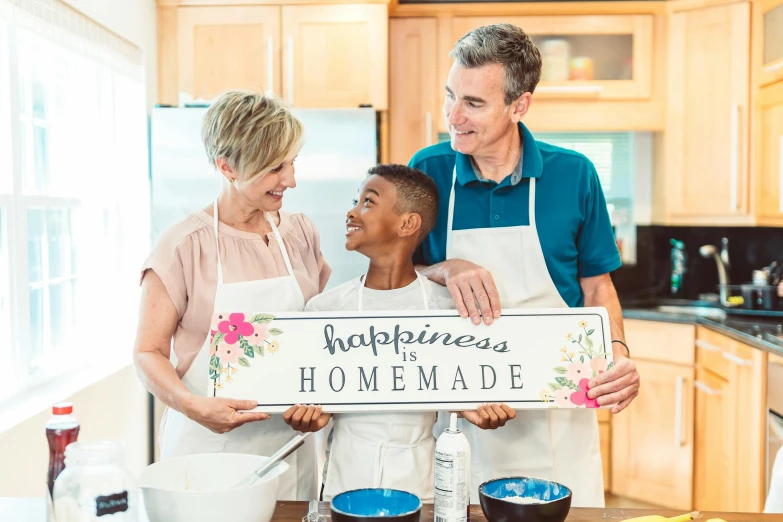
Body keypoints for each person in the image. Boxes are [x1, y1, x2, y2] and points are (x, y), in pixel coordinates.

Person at [408, 24, 641, 507]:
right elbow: (395, 282)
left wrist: (616, 351)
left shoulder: (574, 174)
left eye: (473, 103)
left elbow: (597, 284)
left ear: (520, 105)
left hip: (558, 414)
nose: (453, 116)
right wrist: (445, 268)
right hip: (461, 407)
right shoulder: (427, 172)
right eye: (451, 95)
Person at [133, 90, 331, 501]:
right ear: (227, 166)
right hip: (211, 449)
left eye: (292, 162)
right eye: (275, 167)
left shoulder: (299, 233)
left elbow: (315, 338)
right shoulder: (184, 245)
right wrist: (191, 405)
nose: (291, 179)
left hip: (290, 444)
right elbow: (147, 353)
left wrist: (319, 402)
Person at [288, 164, 516, 502]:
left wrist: (480, 409)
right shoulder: (325, 309)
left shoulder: (452, 311)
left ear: (407, 224)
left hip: (423, 479)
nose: (352, 211)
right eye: (356, 200)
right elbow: (316, 400)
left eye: (369, 201)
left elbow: (465, 385)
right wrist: (309, 417)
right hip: (344, 475)